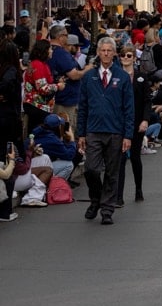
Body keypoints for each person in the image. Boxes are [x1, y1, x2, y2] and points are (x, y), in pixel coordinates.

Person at [76, 37, 135, 225]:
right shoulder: (88, 77)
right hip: (93, 130)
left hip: (115, 131)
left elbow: (129, 108)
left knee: (112, 171)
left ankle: (107, 209)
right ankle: (96, 199)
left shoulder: (123, 77)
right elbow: (82, 106)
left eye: (110, 50)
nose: (107, 53)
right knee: (91, 169)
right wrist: (81, 134)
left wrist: (128, 135)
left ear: (114, 53)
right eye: (103, 50)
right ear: (98, 53)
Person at [116, 45, 152, 206]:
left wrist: (145, 120)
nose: (125, 58)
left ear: (134, 58)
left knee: (135, 157)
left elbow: (147, 101)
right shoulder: (115, 77)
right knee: (120, 159)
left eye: (129, 55)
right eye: (123, 55)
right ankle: (118, 195)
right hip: (120, 123)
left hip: (137, 122)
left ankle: (138, 189)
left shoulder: (141, 77)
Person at [47, 24, 93, 130]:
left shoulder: (48, 50)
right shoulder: (61, 53)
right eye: (66, 35)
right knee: (65, 131)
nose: (67, 38)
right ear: (60, 37)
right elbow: (74, 75)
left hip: (56, 98)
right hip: (64, 101)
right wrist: (88, 68)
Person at [0, 41, 24, 221]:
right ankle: (6, 209)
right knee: (8, 160)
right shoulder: (12, 72)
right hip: (8, 121)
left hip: (6, 118)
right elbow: (7, 86)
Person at [23, 39, 63, 132]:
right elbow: (42, 88)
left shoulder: (40, 64)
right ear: (44, 50)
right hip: (37, 106)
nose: (52, 51)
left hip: (38, 106)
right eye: (50, 49)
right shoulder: (38, 65)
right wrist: (58, 86)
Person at [32, 113, 78, 183]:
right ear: (57, 127)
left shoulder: (38, 131)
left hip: (33, 167)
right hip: (38, 170)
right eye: (60, 125)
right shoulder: (52, 139)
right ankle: (53, 187)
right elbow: (69, 155)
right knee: (69, 164)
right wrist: (72, 139)